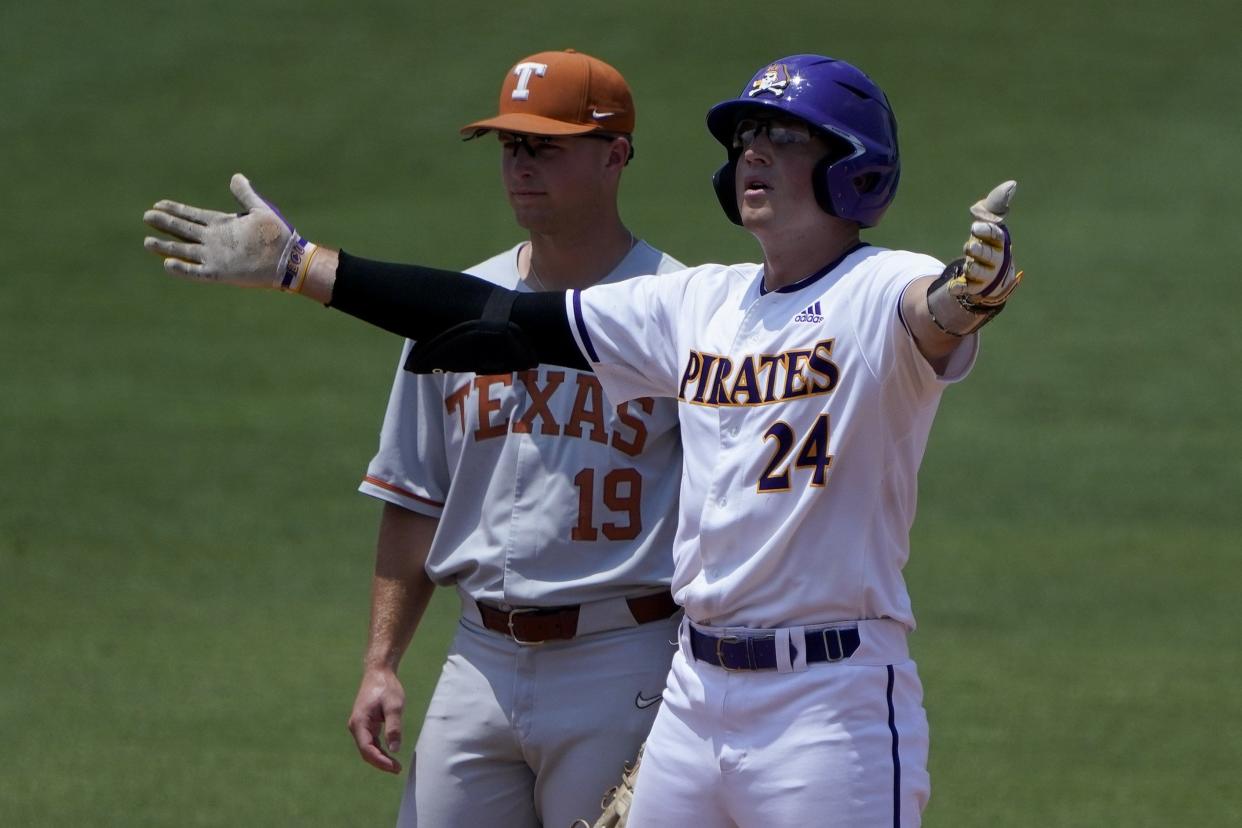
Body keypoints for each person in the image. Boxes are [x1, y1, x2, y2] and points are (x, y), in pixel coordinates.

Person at [144, 53, 1023, 827]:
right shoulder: (696, 305)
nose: (753, 153)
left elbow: (934, 313)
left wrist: (967, 296)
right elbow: (499, 316)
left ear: (852, 170)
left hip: (827, 702)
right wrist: (302, 266)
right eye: (746, 137)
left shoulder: (882, 284)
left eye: (785, 138)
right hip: (694, 696)